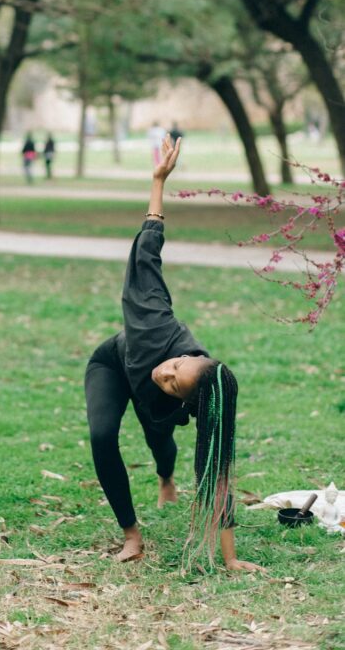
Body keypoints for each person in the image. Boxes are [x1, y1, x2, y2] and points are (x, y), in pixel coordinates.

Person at [84, 135, 262, 572]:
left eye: (172, 382)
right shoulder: (157, 331)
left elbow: (216, 473)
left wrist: (231, 559)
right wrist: (158, 182)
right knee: (103, 435)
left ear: (188, 402)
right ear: (191, 355)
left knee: (160, 442)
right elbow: (148, 255)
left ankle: (166, 476)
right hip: (113, 363)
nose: (166, 372)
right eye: (177, 367)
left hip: (158, 410)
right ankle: (131, 535)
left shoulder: (203, 399)